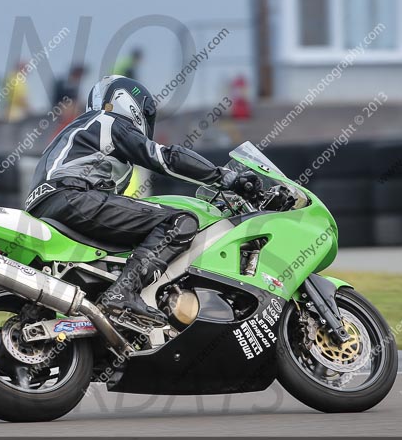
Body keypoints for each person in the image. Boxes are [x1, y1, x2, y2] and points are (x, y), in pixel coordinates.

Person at [25, 75, 261, 323]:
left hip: (47, 205)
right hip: (74, 197)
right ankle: (123, 292)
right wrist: (223, 176)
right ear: (129, 102)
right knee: (180, 221)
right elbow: (165, 158)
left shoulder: (82, 131)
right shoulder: (109, 122)